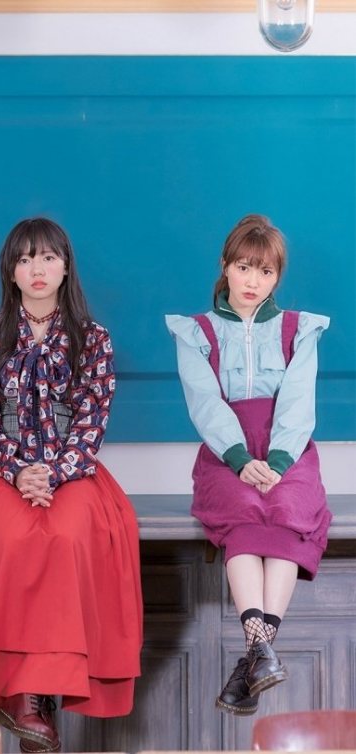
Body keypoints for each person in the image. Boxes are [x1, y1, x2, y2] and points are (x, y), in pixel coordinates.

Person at [0, 217, 143, 754]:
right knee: (12, 537)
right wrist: (17, 469)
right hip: (2, 471)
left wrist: (53, 472)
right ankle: (23, 694)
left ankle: (44, 692)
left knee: (68, 537)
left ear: (66, 267)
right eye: (25, 259)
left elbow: (93, 419)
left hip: (71, 472)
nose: (37, 269)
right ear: (11, 271)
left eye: (48, 257)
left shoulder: (93, 339)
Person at [166, 214, 332, 716]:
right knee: (242, 512)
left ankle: (255, 656)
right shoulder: (197, 332)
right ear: (225, 266)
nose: (253, 281)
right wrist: (239, 459)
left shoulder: (298, 329)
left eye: (265, 271)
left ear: (277, 277)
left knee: (286, 512)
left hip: (288, 447)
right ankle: (261, 653)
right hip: (226, 452)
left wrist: (278, 462)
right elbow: (205, 402)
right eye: (244, 267)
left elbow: (298, 401)